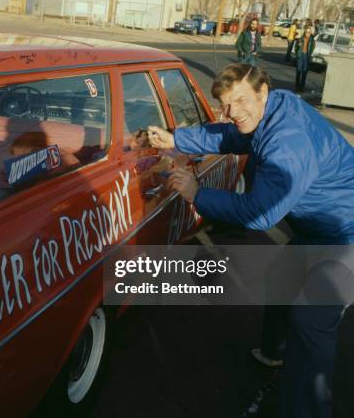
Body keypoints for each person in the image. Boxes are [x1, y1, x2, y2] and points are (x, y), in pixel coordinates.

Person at [147, 64, 354, 418]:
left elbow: (261, 213)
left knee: (312, 319)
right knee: (281, 280)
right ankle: (278, 353)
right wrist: (177, 139)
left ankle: (308, 409)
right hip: (320, 228)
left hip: (346, 233)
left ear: (262, 92)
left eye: (240, 101)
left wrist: (198, 194)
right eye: (226, 105)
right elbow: (232, 136)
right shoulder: (271, 109)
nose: (232, 112)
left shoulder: (287, 142)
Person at [294, 26, 315, 92]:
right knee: (299, 71)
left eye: (309, 32)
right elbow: (296, 47)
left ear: (310, 33)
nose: (307, 34)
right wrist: (298, 53)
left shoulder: (312, 40)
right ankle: (297, 86)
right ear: (304, 32)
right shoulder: (300, 39)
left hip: (306, 56)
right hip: (301, 55)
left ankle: (302, 87)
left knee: (304, 72)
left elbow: (313, 47)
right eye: (306, 32)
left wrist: (309, 53)